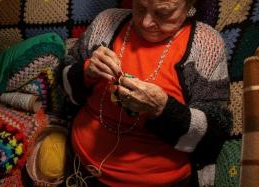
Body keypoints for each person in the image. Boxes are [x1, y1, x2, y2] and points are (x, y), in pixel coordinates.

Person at [62, 0, 231, 186]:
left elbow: (214, 136)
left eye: (163, 14)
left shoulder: (207, 45)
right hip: (78, 166)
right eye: (140, 8)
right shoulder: (105, 23)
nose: (145, 22)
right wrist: (85, 72)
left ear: (189, 5)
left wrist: (162, 109)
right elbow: (63, 83)